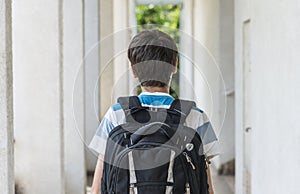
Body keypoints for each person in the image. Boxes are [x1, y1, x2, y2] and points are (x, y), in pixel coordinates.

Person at [89, 29, 219, 194]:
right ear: (174, 66)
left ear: (133, 70)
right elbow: (205, 185)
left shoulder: (116, 114)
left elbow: (97, 189)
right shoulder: (196, 116)